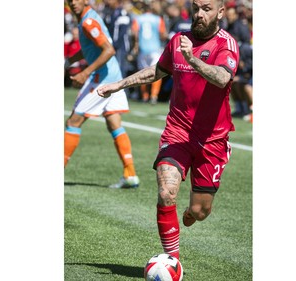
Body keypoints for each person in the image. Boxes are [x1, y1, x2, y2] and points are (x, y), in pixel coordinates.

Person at [97, 0, 240, 259]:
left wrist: (192, 59)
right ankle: (172, 260)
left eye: (206, 9)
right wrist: (118, 85)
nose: (199, 14)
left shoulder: (225, 44)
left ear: (220, 12)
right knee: (166, 192)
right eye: (196, 7)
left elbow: (222, 78)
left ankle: (192, 211)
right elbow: (158, 71)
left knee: (200, 212)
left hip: (212, 139)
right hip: (177, 132)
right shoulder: (178, 40)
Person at [64, 0, 139, 189]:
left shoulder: (88, 22)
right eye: (69, 0)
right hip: (114, 76)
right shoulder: (88, 18)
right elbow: (94, 48)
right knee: (114, 123)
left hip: (102, 79)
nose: (73, 3)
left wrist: (84, 72)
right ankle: (130, 175)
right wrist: (71, 60)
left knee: (73, 122)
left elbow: (109, 50)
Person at [131, 0, 167, 104]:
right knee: (156, 72)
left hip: (143, 48)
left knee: (143, 72)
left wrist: (135, 45)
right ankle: (154, 96)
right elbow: (163, 34)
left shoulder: (138, 19)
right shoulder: (158, 19)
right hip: (155, 48)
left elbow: (134, 33)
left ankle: (145, 96)